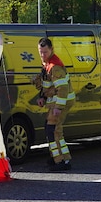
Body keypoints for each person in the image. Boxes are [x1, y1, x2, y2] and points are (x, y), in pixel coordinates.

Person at [35, 37, 74, 171]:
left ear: (51, 50)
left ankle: (61, 160)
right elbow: (48, 86)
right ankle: (58, 158)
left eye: (45, 52)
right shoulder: (48, 64)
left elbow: (63, 89)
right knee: (51, 129)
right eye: (40, 52)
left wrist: (58, 107)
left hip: (61, 102)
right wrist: (42, 97)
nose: (42, 55)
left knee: (54, 130)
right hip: (56, 102)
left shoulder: (55, 67)